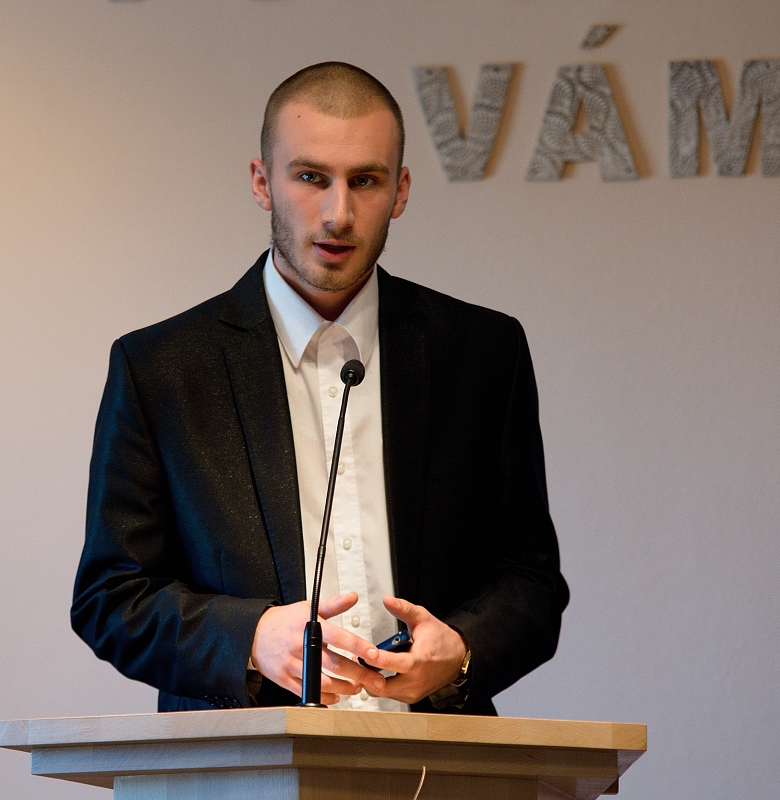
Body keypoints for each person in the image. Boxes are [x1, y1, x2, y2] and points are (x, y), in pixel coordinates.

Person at [71, 62, 569, 715]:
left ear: (401, 190)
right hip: (243, 761)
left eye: (365, 181)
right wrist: (250, 639)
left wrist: (461, 650)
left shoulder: (482, 353)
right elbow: (111, 597)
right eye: (310, 177)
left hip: (437, 758)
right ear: (262, 182)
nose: (339, 214)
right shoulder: (161, 367)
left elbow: (531, 583)